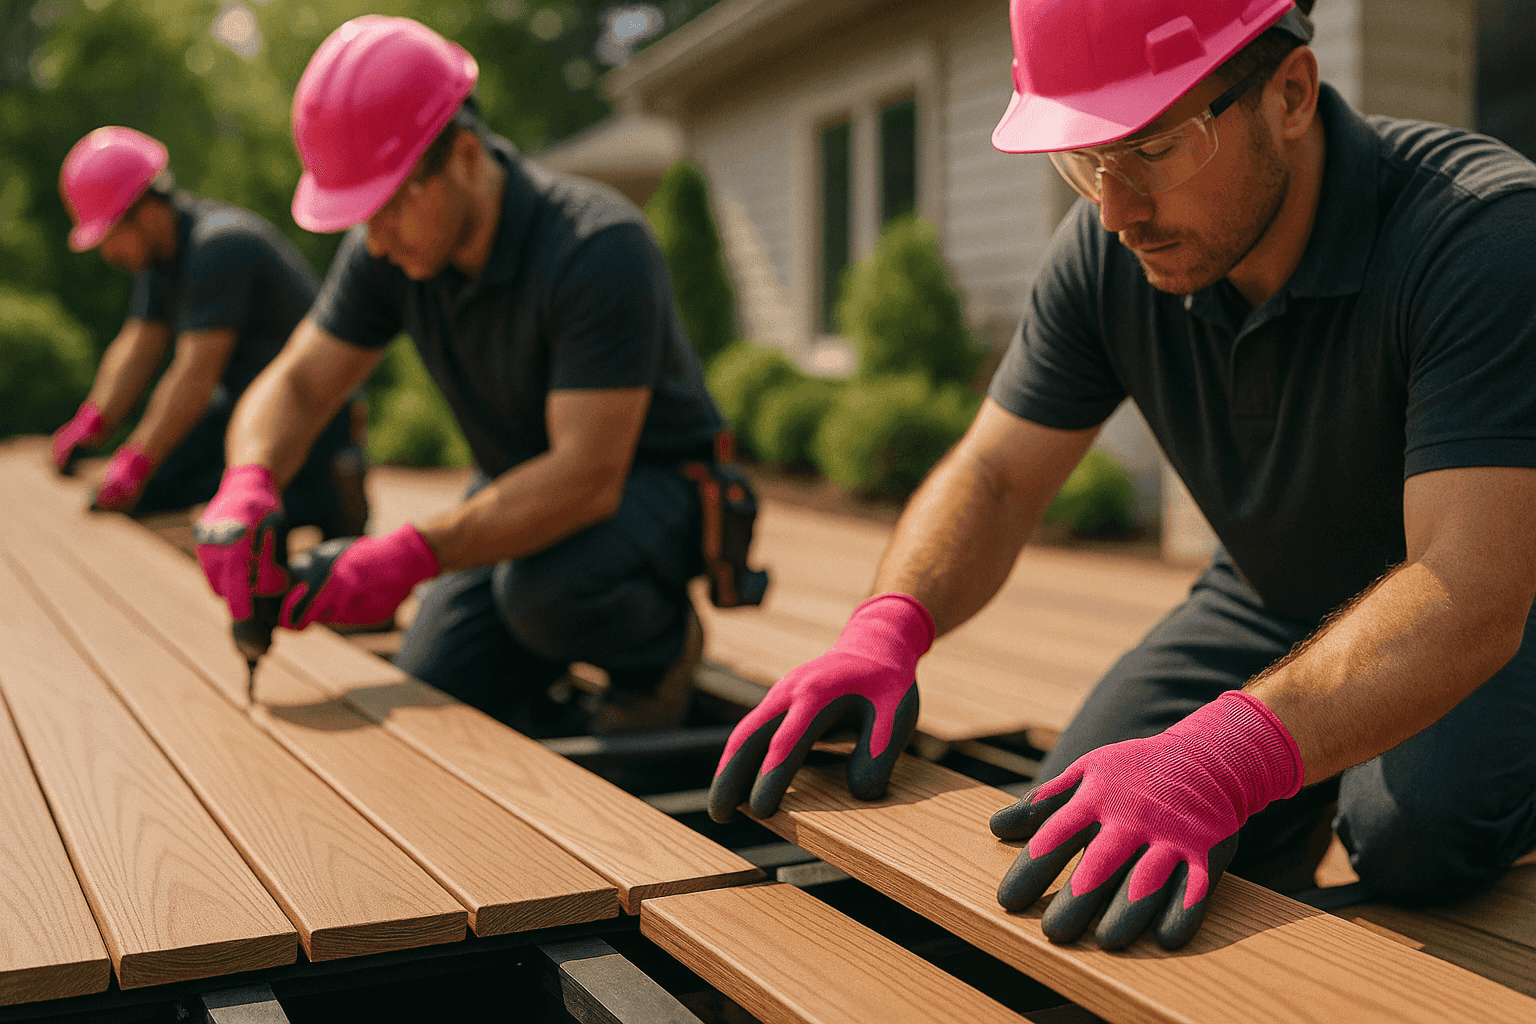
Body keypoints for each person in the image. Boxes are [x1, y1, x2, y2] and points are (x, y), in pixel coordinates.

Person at [710, 0, 1536, 952]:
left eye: (1150, 150)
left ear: (1292, 96)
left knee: (1416, 836)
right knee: (1073, 830)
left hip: (1500, 599)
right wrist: (887, 627)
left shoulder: (1481, 237)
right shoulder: (1113, 249)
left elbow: (1469, 588)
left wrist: (1228, 761)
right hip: (1272, 590)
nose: (1114, 209)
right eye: (1083, 161)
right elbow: (995, 477)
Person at [194, 16, 726, 735]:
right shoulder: (391, 249)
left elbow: (586, 477)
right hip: (520, 487)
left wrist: (404, 555)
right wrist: (246, 483)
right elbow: (297, 383)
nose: (373, 238)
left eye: (385, 208)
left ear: (467, 158)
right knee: (437, 675)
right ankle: (544, 691)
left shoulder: (598, 247)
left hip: (655, 489)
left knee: (544, 594)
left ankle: (658, 654)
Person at [51, 126, 369, 538]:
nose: (109, 254)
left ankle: (336, 490)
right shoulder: (161, 257)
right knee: (144, 493)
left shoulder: (220, 247)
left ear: (146, 212)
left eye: (111, 238)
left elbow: (194, 377)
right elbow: (138, 345)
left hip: (309, 419)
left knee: (251, 527)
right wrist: (93, 422)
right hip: (241, 405)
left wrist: (135, 461)